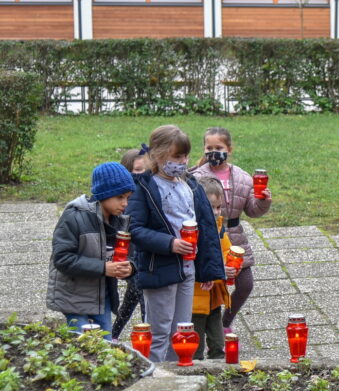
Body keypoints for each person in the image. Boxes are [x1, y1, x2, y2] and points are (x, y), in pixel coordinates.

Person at [126, 125, 224, 362]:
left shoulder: (189, 184)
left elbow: (205, 227)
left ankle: (177, 376)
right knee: (159, 332)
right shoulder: (144, 187)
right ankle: (156, 378)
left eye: (185, 156)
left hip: (187, 268)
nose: (183, 161)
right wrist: (169, 243)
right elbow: (134, 229)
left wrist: (207, 268)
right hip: (159, 267)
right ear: (158, 155)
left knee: (182, 331)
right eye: (177, 156)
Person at [190, 126, 272, 333]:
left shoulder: (243, 177)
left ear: (229, 149)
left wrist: (263, 201)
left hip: (235, 239)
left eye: (219, 147)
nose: (213, 152)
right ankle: (207, 328)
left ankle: (226, 322)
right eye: (209, 147)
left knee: (245, 284)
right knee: (211, 286)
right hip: (207, 238)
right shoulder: (196, 178)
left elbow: (252, 211)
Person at [46, 162, 135, 336]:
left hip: (102, 298)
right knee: (83, 348)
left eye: (128, 198)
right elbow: (62, 259)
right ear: (104, 194)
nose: (125, 203)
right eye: (120, 197)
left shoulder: (119, 221)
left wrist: (130, 268)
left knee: (105, 344)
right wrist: (103, 268)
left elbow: (127, 255)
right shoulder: (74, 217)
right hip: (74, 298)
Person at [191, 177, 235, 360]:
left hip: (215, 298)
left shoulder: (219, 228)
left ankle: (218, 369)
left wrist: (231, 265)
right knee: (196, 346)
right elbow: (201, 263)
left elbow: (225, 251)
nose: (216, 212)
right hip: (196, 301)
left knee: (218, 343)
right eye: (212, 207)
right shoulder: (194, 232)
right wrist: (221, 271)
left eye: (219, 207)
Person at [110, 146, 149, 340]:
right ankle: (144, 337)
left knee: (132, 299)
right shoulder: (122, 200)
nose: (141, 175)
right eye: (138, 171)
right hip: (130, 258)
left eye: (144, 170)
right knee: (139, 297)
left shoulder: (149, 194)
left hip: (143, 256)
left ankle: (113, 335)